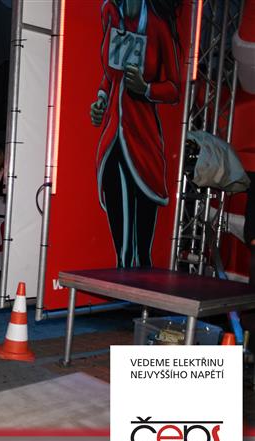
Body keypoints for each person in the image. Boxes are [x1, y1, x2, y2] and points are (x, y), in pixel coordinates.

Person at [90, 0, 181, 267]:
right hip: (113, 135)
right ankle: (120, 275)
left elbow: (174, 88)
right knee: (122, 250)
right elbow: (110, 75)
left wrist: (147, 89)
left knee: (142, 252)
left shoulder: (158, 26)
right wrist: (101, 99)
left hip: (143, 136)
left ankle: (141, 282)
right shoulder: (112, 16)